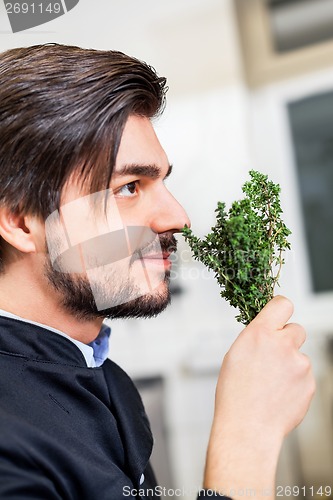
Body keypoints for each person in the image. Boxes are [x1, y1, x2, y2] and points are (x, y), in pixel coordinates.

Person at [0, 43, 315, 500]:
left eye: (161, 182)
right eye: (129, 187)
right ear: (21, 221)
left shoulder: (109, 381)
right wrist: (247, 440)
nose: (178, 217)